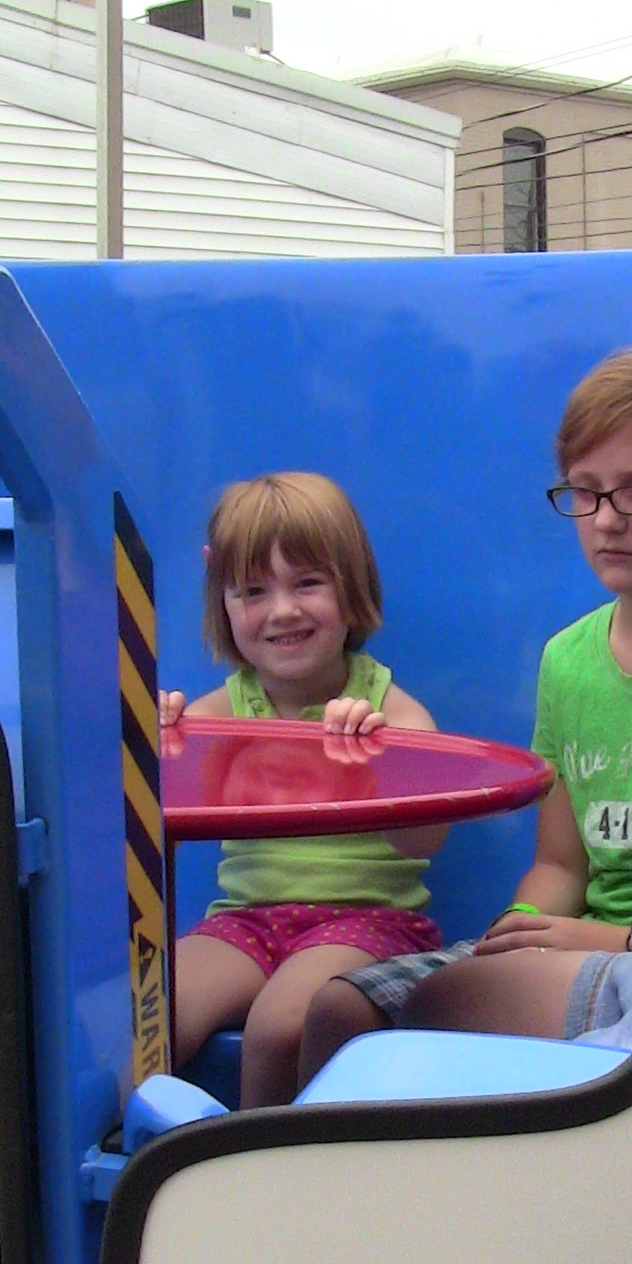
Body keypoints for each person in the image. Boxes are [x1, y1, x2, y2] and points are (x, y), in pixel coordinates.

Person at [297, 346, 632, 1090]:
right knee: (341, 1010)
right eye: (585, 492)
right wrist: (522, 930)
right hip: (585, 948)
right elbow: (563, 864)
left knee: (445, 1002)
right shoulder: (568, 660)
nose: (605, 521)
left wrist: (610, 940)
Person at [158, 471, 445, 1107]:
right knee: (150, 1011)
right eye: (253, 590)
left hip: (369, 923)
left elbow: (426, 837)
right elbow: (152, 818)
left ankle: (259, 1165)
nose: (282, 610)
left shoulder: (389, 711)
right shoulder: (216, 716)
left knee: (283, 1025)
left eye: (308, 583)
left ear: (352, 585)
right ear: (222, 599)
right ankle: (142, 1155)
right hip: (246, 923)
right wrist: (157, 745)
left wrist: (375, 762)